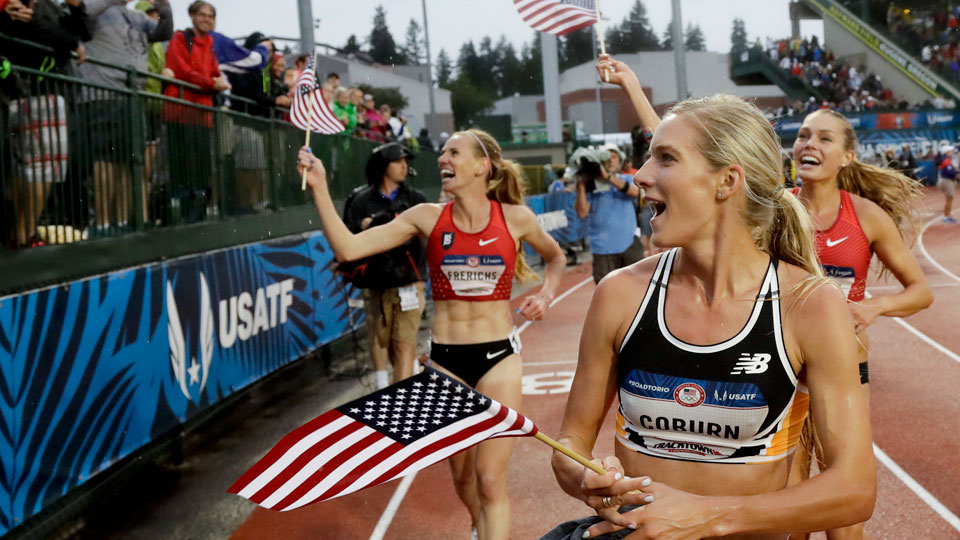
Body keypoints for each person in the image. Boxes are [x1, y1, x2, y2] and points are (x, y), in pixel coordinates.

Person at [541, 57, 875, 540]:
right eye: (649, 156)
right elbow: (570, 440)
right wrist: (584, 477)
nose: (640, 175)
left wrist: (707, 518)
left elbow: (856, 488)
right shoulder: (619, 295)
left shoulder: (810, 305)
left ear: (727, 181)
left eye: (666, 159)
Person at [298, 128, 566, 540]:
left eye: (454, 153)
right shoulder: (424, 216)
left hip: (499, 359)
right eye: (442, 153)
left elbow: (556, 257)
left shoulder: (516, 219)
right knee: (462, 480)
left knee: (490, 479)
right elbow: (349, 249)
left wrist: (547, 294)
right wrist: (319, 188)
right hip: (445, 364)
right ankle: (478, 523)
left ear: (482, 166)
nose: (443, 159)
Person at [789, 108, 933, 540]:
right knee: (786, 503)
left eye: (825, 138)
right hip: (783, 372)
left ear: (847, 157)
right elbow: (700, 159)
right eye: (803, 135)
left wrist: (872, 308)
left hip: (846, 371)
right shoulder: (775, 210)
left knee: (843, 505)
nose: (810, 143)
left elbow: (920, 291)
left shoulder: (865, 216)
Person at [341, 142, 428, 390]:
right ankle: (387, 385)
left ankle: (401, 398)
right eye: (398, 161)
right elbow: (350, 241)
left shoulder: (416, 199)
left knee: (403, 342)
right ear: (382, 167)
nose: (404, 166)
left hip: (410, 281)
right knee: (384, 340)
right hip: (376, 284)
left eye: (406, 161)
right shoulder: (359, 201)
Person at [572, 144, 644, 283]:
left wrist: (608, 178)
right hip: (602, 248)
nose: (611, 160)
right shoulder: (590, 185)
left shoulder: (627, 179)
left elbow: (636, 192)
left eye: (614, 157)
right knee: (606, 293)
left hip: (629, 243)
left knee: (637, 288)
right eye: (607, 157)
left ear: (620, 161)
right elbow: (582, 213)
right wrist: (581, 185)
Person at [937, 144, 958, 223]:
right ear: (946, 152)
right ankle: (947, 216)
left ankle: (947, 215)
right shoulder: (947, 160)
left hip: (945, 180)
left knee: (949, 199)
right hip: (947, 181)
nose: (951, 152)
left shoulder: (945, 159)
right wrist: (956, 172)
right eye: (950, 151)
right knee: (949, 199)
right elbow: (949, 172)